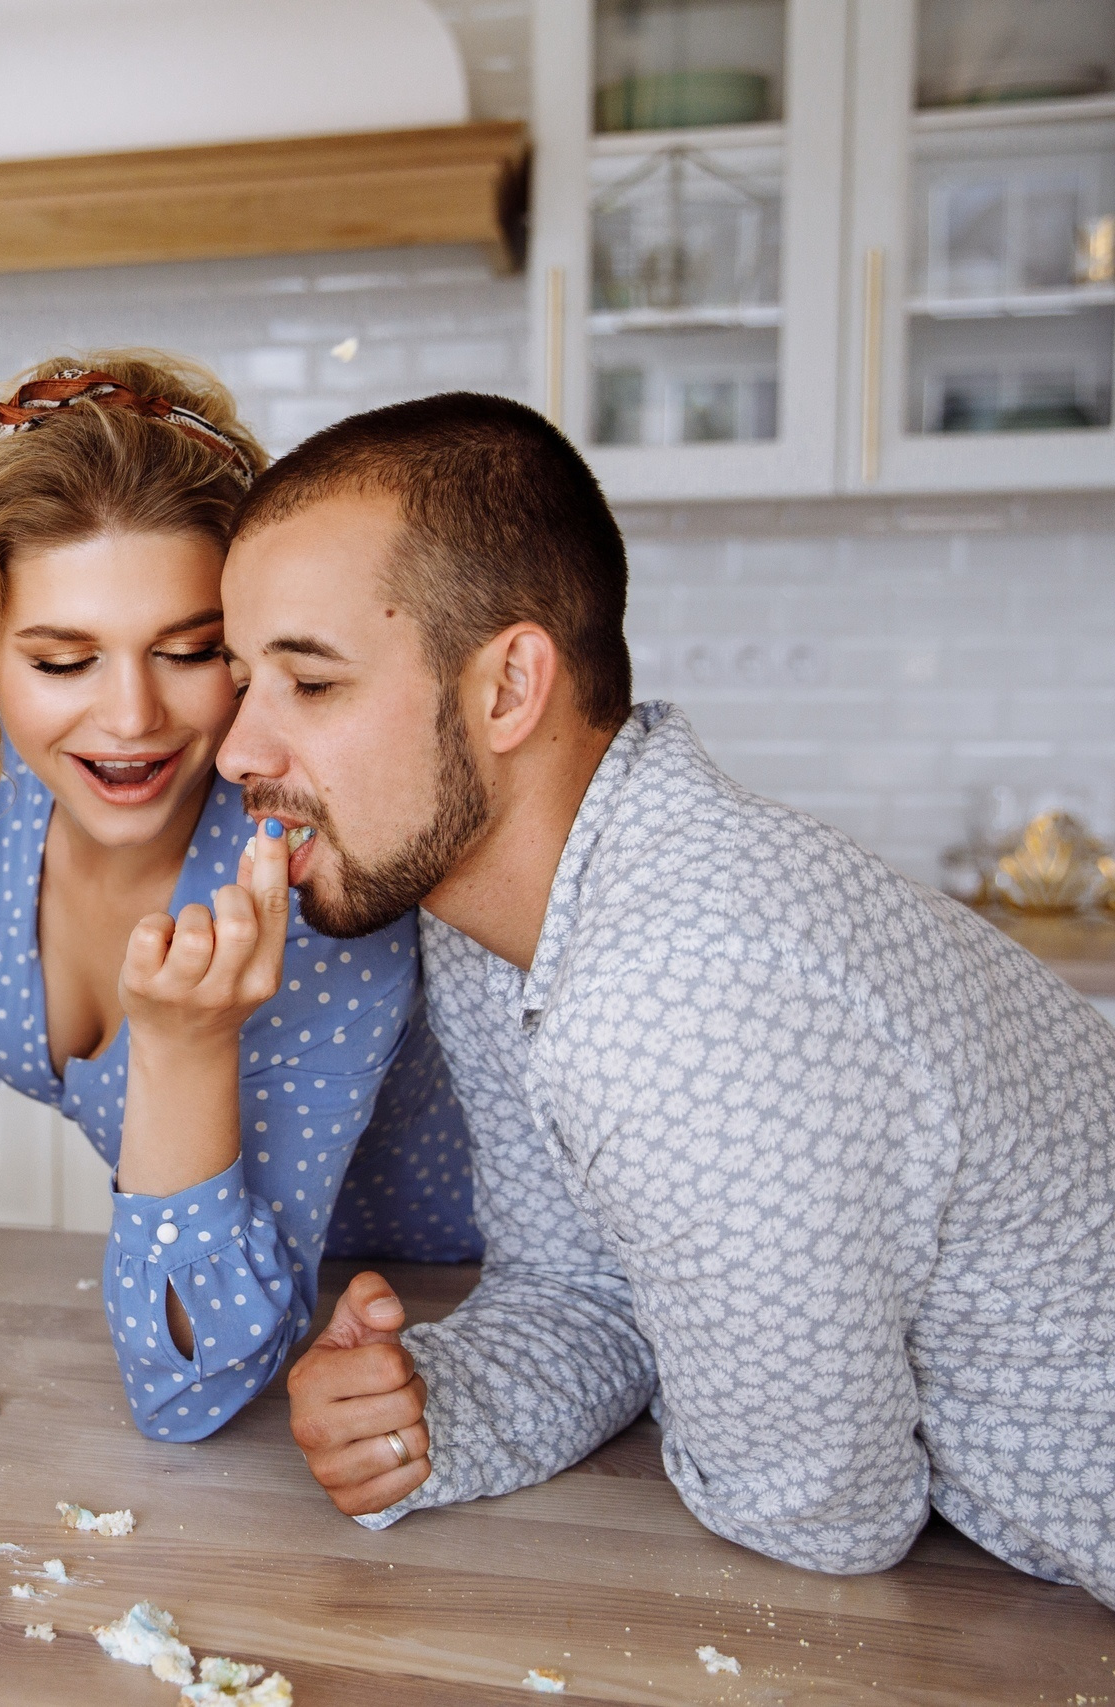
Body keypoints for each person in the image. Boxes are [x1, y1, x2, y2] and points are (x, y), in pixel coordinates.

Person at [227, 393, 1115, 1603]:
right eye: (239, 681)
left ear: (505, 690)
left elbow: (815, 1513)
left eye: (309, 685)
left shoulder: (678, 992)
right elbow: (584, 1286)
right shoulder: (502, 930)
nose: (235, 749)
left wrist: (700, 1389)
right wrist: (434, 1410)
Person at [0, 352, 481, 1444]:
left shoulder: (313, 881)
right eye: (63, 661)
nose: (128, 718)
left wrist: (185, 1047)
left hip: (413, 1332)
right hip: (198, 1317)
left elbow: (195, 1380)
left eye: (189, 650)